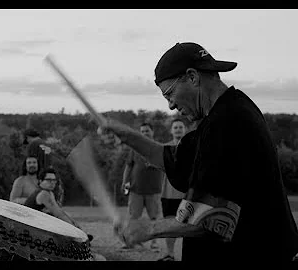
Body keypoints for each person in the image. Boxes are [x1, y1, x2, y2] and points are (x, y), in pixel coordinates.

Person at [97, 42, 298, 261]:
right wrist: (124, 134)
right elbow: (173, 160)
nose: (171, 106)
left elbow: (212, 220)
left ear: (192, 77)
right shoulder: (226, 113)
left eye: (169, 94)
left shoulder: (227, 123)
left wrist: (148, 229)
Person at [121, 123, 163, 251]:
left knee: (154, 217)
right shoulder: (135, 148)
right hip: (136, 189)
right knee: (133, 217)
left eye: (147, 131)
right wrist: (124, 182)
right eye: (142, 131)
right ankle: (129, 241)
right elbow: (128, 166)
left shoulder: (159, 148)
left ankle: (154, 243)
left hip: (154, 190)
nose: (145, 133)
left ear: (152, 132)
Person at [24, 167, 94, 241]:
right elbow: (58, 214)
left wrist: (77, 228)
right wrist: (77, 231)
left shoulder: (48, 192)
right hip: (29, 230)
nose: (52, 183)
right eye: (49, 180)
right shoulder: (44, 194)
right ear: (40, 181)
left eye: (54, 180)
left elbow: (60, 211)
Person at [157, 118, 187, 261]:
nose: (178, 129)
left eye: (180, 127)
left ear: (185, 129)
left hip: (187, 195)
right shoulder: (165, 148)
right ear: (171, 130)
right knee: (169, 225)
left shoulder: (192, 148)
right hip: (168, 193)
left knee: (188, 226)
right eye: (175, 127)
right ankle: (170, 253)